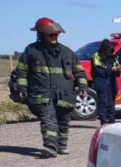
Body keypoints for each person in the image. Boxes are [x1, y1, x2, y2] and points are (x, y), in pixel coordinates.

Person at [10, 17, 87, 158]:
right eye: (50, 35)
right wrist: (21, 88)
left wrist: (83, 86)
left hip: (65, 93)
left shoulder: (67, 52)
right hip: (41, 93)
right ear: (40, 34)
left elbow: (79, 72)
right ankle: (50, 145)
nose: (54, 37)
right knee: (49, 119)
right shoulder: (31, 51)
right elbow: (21, 71)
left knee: (63, 120)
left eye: (56, 35)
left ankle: (62, 145)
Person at [91, 39, 121, 125]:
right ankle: (103, 120)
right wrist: (111, 69)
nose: (110, 54)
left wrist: (118, 69)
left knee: (111, 101)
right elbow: (99, 71)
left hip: (111, 80)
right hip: (101, 80)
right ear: (104, 50)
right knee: (103, 101)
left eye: (111, 52)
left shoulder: (113, 57)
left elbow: (117, 67)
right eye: (108, 51)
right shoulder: (97, 56)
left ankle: (111, 119)